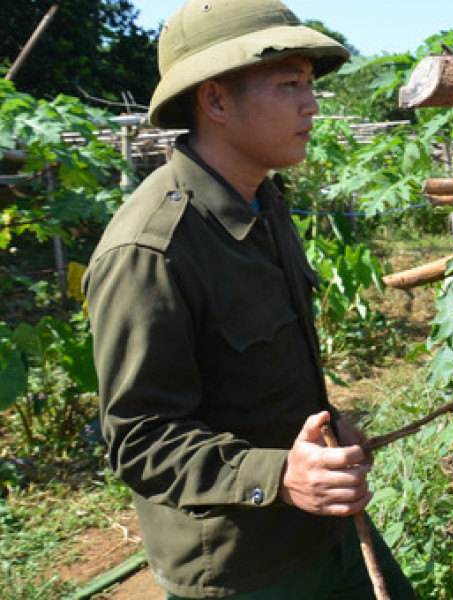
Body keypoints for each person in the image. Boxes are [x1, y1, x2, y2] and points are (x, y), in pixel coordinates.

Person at [83, 0, 416, 598]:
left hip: (324, 527)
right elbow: (138, 437)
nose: (311, 105)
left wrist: (328, 435)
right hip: (242, 568)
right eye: (289, 85)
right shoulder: (150, 250)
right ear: (214, 101)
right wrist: (279, 475)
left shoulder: (264, 201)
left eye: (309, 84)